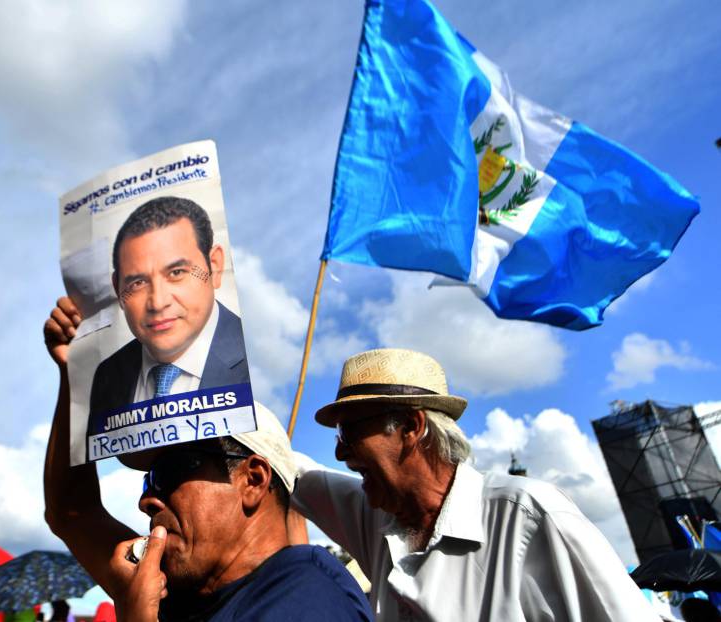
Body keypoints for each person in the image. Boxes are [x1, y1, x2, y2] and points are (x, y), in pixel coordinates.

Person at [43, 297, 372, 622]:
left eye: (171, 472)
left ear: (253, 480)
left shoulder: (306, 599)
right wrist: (77, 376)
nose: (146, 501)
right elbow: (73, 511)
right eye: (149, 479)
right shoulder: (179, 587)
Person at [292, 348, 661, 621]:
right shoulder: (377, 516)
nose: (340, 451)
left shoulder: (530, 517)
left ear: (411, 427)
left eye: (350, 430)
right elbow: (289, 469)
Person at [89, 196, 248, 418]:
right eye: (138, 283)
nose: (157, 302)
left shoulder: (249, 357)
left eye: (176, 273)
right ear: (117, 289)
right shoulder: (107, 377)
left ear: (214, 267)